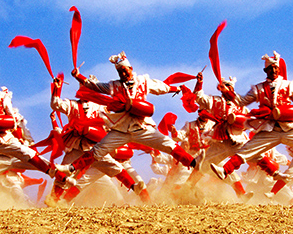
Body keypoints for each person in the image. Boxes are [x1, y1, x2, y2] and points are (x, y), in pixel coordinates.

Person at [57, 51, 202, 178]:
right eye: (120, 72)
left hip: (142, 127)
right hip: (121, 128)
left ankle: (195, 163)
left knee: (168, 144)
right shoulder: (115, 86)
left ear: (131, 68)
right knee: (98, 150)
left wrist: (177, 88)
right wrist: (78, 76)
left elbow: (160, 87)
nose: (123, 74)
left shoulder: (142, 81)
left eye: (125, 71)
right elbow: (95, 86)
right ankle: (71, 168)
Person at [210, 51, 293, 183]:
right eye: (270, 68)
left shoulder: (287, 85)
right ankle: (225, 170)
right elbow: (242, 101)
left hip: (289, 127)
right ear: (265, 70)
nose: (273, 70)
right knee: (247, 149)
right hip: (269, 129)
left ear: (278, 69)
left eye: (275, 67)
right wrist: (227, 92)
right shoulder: (258, 88)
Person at [46, 76, 144, 206]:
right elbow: (55, 104)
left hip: (94, 148)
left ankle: (133, 187)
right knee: (63, 171)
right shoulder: (72, 104)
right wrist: (56, 91)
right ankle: (53, 200)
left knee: (114, 167)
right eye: (84, 89)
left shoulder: (99, 107)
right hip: (76, 147)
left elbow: (110, 121)